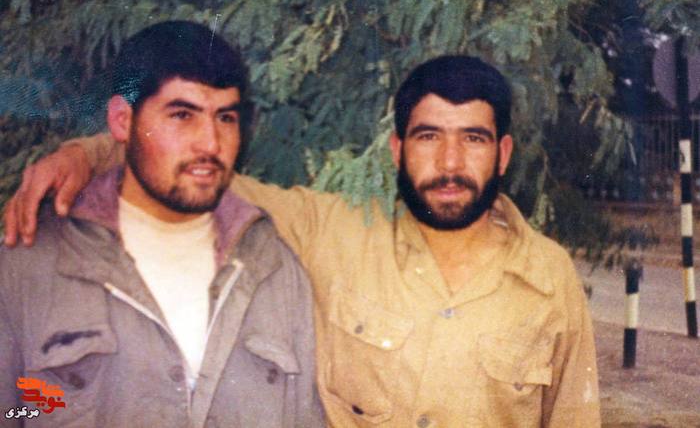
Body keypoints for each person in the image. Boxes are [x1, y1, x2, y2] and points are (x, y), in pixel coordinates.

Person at [4, 55, 601, 427]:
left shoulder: (549, 279)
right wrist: (85, 154)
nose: (449, 163)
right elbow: (197, 168)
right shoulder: (330, 232)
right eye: (428, 137)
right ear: (397, 150)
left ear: (503, 153)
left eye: (472, 139)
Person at [0, 21, 322, 427]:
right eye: (182, 115)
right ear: (122, 121)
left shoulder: (273, 268)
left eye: (225, 118)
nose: (210, 143)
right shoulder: (30, 267)